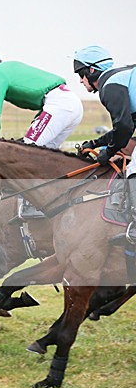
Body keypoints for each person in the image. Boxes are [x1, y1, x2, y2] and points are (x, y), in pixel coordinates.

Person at [72, 45, 136, 244]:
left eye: (81, 74)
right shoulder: (120, 77)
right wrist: (97, 143)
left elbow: (124, 127)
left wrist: (107, 152)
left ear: (92, 71)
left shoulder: (109, 86)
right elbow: (124, 128)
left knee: (134, 166)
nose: (81, 80)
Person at [0, 50, 83, 149]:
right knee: (45, 156)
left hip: (59, 104)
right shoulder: (7, 68)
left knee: (25, 152)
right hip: (69, 103)